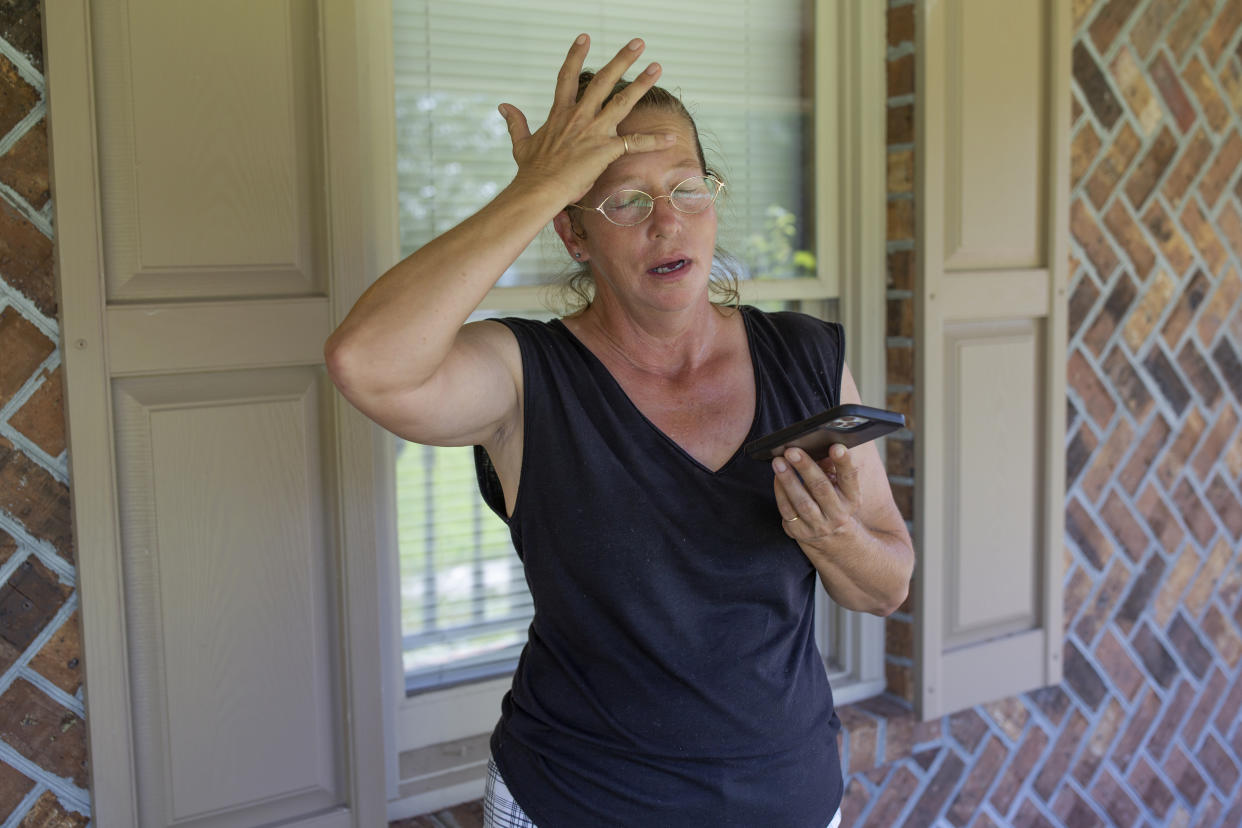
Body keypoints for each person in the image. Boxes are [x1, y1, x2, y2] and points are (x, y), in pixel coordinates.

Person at [325, 34, 914, 828]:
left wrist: (838, 538)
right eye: (625, 202)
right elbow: (368, 363)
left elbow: (885, 585)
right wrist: (536, 189)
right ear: (575, 236)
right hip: (577, 804)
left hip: (790, 801)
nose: (667, 222)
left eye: (686, 188)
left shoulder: (804, 356)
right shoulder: (526, 376)